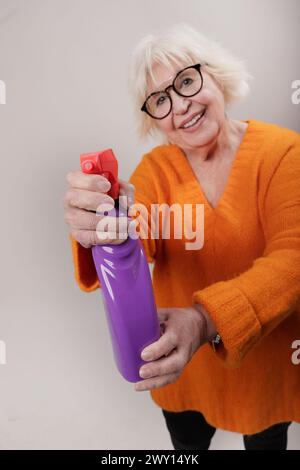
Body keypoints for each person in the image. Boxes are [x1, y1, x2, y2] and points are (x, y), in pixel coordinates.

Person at [63, 23, 300, 450]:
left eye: (187, 81)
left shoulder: (285, 153)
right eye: (160, 100)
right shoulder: (156, 170)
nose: (181, 106)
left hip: (263, 363)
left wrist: (205, 320)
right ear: (153, 118)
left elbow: (294, 258)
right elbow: (136, 229)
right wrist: (104, 226)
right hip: (183, 370)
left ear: (216, 75)